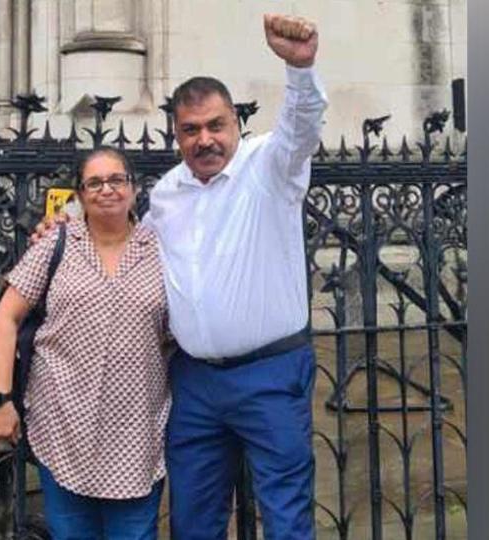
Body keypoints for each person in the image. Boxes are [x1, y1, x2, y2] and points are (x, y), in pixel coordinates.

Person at [34, 13, 327, 539]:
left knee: (286, 517)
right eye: (191, 130)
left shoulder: (270, 167)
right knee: (193, 519)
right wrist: (65, 222)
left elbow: (302, 127)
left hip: (269, 374)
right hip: (194, 383)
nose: (205, 140)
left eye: (216, 125)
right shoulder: (167, 193)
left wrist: (300, 70)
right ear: (177, 135)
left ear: (235, 122)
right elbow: (120, 230)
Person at [0, 147, 171, 540]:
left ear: (134, 189)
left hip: (136, 433)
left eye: (117, 180)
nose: (107, 190)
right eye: (95, 183)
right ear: (81, 194)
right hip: (62, 425)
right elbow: (6, 316)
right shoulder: (57, 243)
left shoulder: (162, 249)